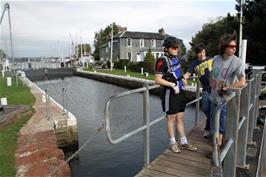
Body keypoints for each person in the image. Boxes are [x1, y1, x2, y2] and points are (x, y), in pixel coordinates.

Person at [155, 36, 197, 153]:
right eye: (174, 48)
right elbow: (157, 80)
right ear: (167, 48)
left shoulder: (175, 59)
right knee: (171, 118)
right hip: (170, 92)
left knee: (180, 117)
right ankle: (172, 142)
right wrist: (172, 85)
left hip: (180, 92)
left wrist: (182, 79)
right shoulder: (162, 61)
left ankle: (183, 141)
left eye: (177, 48)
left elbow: (176, 72)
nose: (177, 49)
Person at [209, 32, 246, 148]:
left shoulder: (237, 62)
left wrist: (228, 87)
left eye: (235, 47)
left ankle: (218, 147)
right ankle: (216, 144)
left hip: (224, 98)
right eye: (231, 46)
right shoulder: (216, 59)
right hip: (213, 96)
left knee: (220, 124)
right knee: (213, 122)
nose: (234, 49)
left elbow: (242, 81)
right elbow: (211, 73)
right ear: (224, 47)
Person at [183, 43, 213, 138]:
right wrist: (184, 79)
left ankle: (208, 129)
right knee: (205, 108)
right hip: (205, 89)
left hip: (216, 88)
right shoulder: (194, 64)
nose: (202, 54)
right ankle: (212, 125)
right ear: (197, 54)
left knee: (214, 110)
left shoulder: (212, 59)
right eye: (200, 53)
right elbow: (188, 73)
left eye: (203, 52)